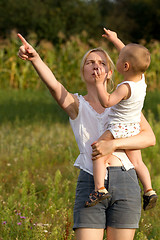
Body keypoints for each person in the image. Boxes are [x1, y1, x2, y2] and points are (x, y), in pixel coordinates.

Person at [17, 33, 156, 240]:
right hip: (91, 183)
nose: (95, 65)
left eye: (101, 62)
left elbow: (149, 139)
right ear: (83, 71)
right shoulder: (77, 105)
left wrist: (113, 144)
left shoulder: (125, 103)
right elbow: (54, 86)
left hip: (126, 180)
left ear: (110, 72)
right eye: (90, 62)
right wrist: (36, 59)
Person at [85, 28, 158, 210]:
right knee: (137, 162)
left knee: (99, 153)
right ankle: (149, 190)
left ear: (125, 66)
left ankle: (99, 189)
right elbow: (130, 54)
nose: (116, 60)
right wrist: (115, 40)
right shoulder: (140, 79)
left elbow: (107, 101)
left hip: (118, 128)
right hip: (134, 128)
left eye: (118, 59)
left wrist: (100, 83)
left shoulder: (124, 88)